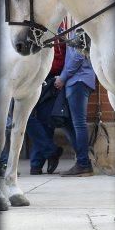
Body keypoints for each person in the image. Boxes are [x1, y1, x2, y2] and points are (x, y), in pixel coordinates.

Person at [25, 30, 67, 175]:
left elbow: (63, 58)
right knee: (27, 118)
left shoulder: (61, 30)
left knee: (46, 120)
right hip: (30, 77)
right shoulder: (33, 28)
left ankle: (36, 164)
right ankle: (51, 151)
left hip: (51, 79)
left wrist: (62, 77)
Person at [56, 29, 96, 177]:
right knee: (68, 123)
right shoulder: (74, 28)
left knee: (79, 124)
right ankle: (83, 160)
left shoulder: (81, 28)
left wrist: (62, 78)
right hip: (76, 81)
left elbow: (78, 57)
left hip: (78, 80)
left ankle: (83, 164)